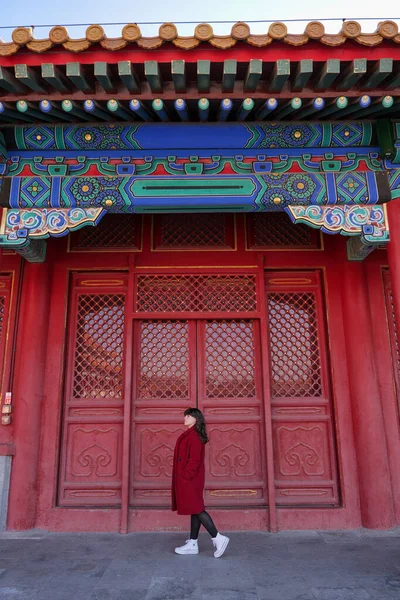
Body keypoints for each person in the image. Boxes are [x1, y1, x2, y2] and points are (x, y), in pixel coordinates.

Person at [171, 407, 230, 558]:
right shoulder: (190, 434)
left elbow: (194, 461)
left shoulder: (194, 437)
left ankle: (218, 537)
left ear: (195, 419)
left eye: (188, 416)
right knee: (194, 508)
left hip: (190, 480)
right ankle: (192, 542)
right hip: (190, 479)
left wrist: (185, 476)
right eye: (185, 416)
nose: (185, 418)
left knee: (198, 509)